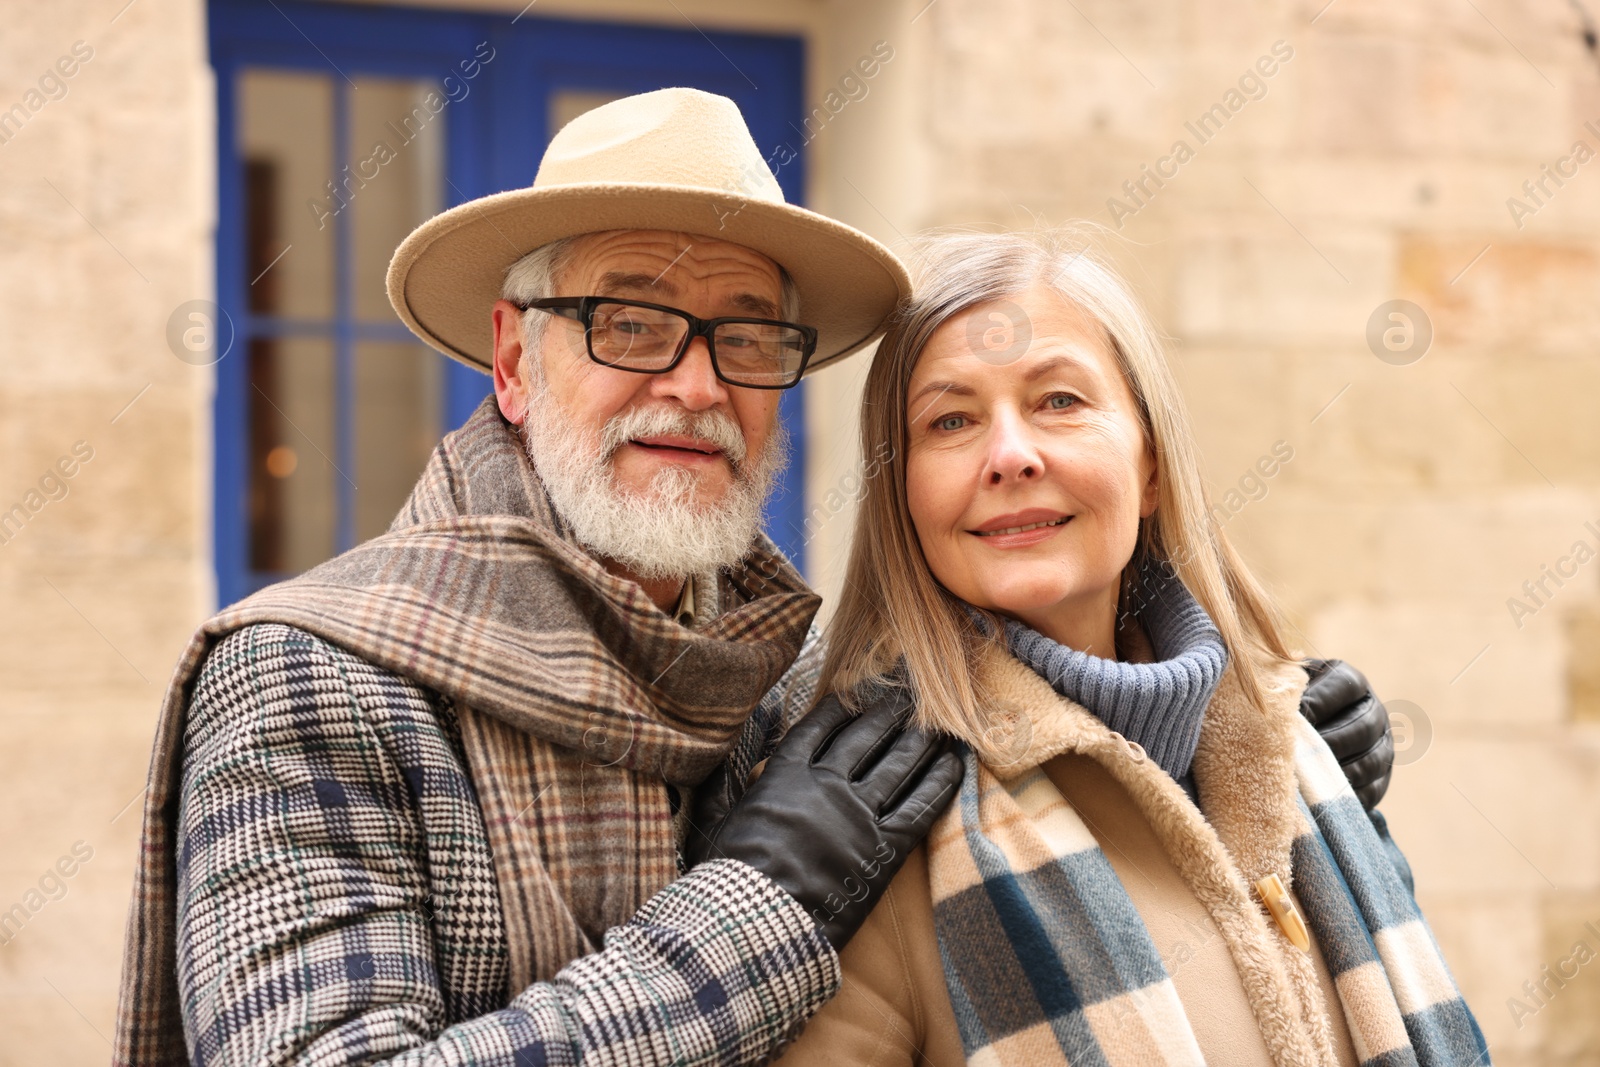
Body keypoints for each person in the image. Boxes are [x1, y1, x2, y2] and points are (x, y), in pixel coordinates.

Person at [112, 88, 964, 1067]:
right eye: (633, 322)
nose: (697, 384)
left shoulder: (803, 677)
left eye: (746, 335)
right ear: (514, 360)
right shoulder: (301, 674)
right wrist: (760, 908)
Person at [769, 230, 1488, 1066]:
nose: (1009, 455)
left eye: (1059, 401)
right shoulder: (870, 831)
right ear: (904, 496)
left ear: (1151, 465)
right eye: (952, 419)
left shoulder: (1298, 761)